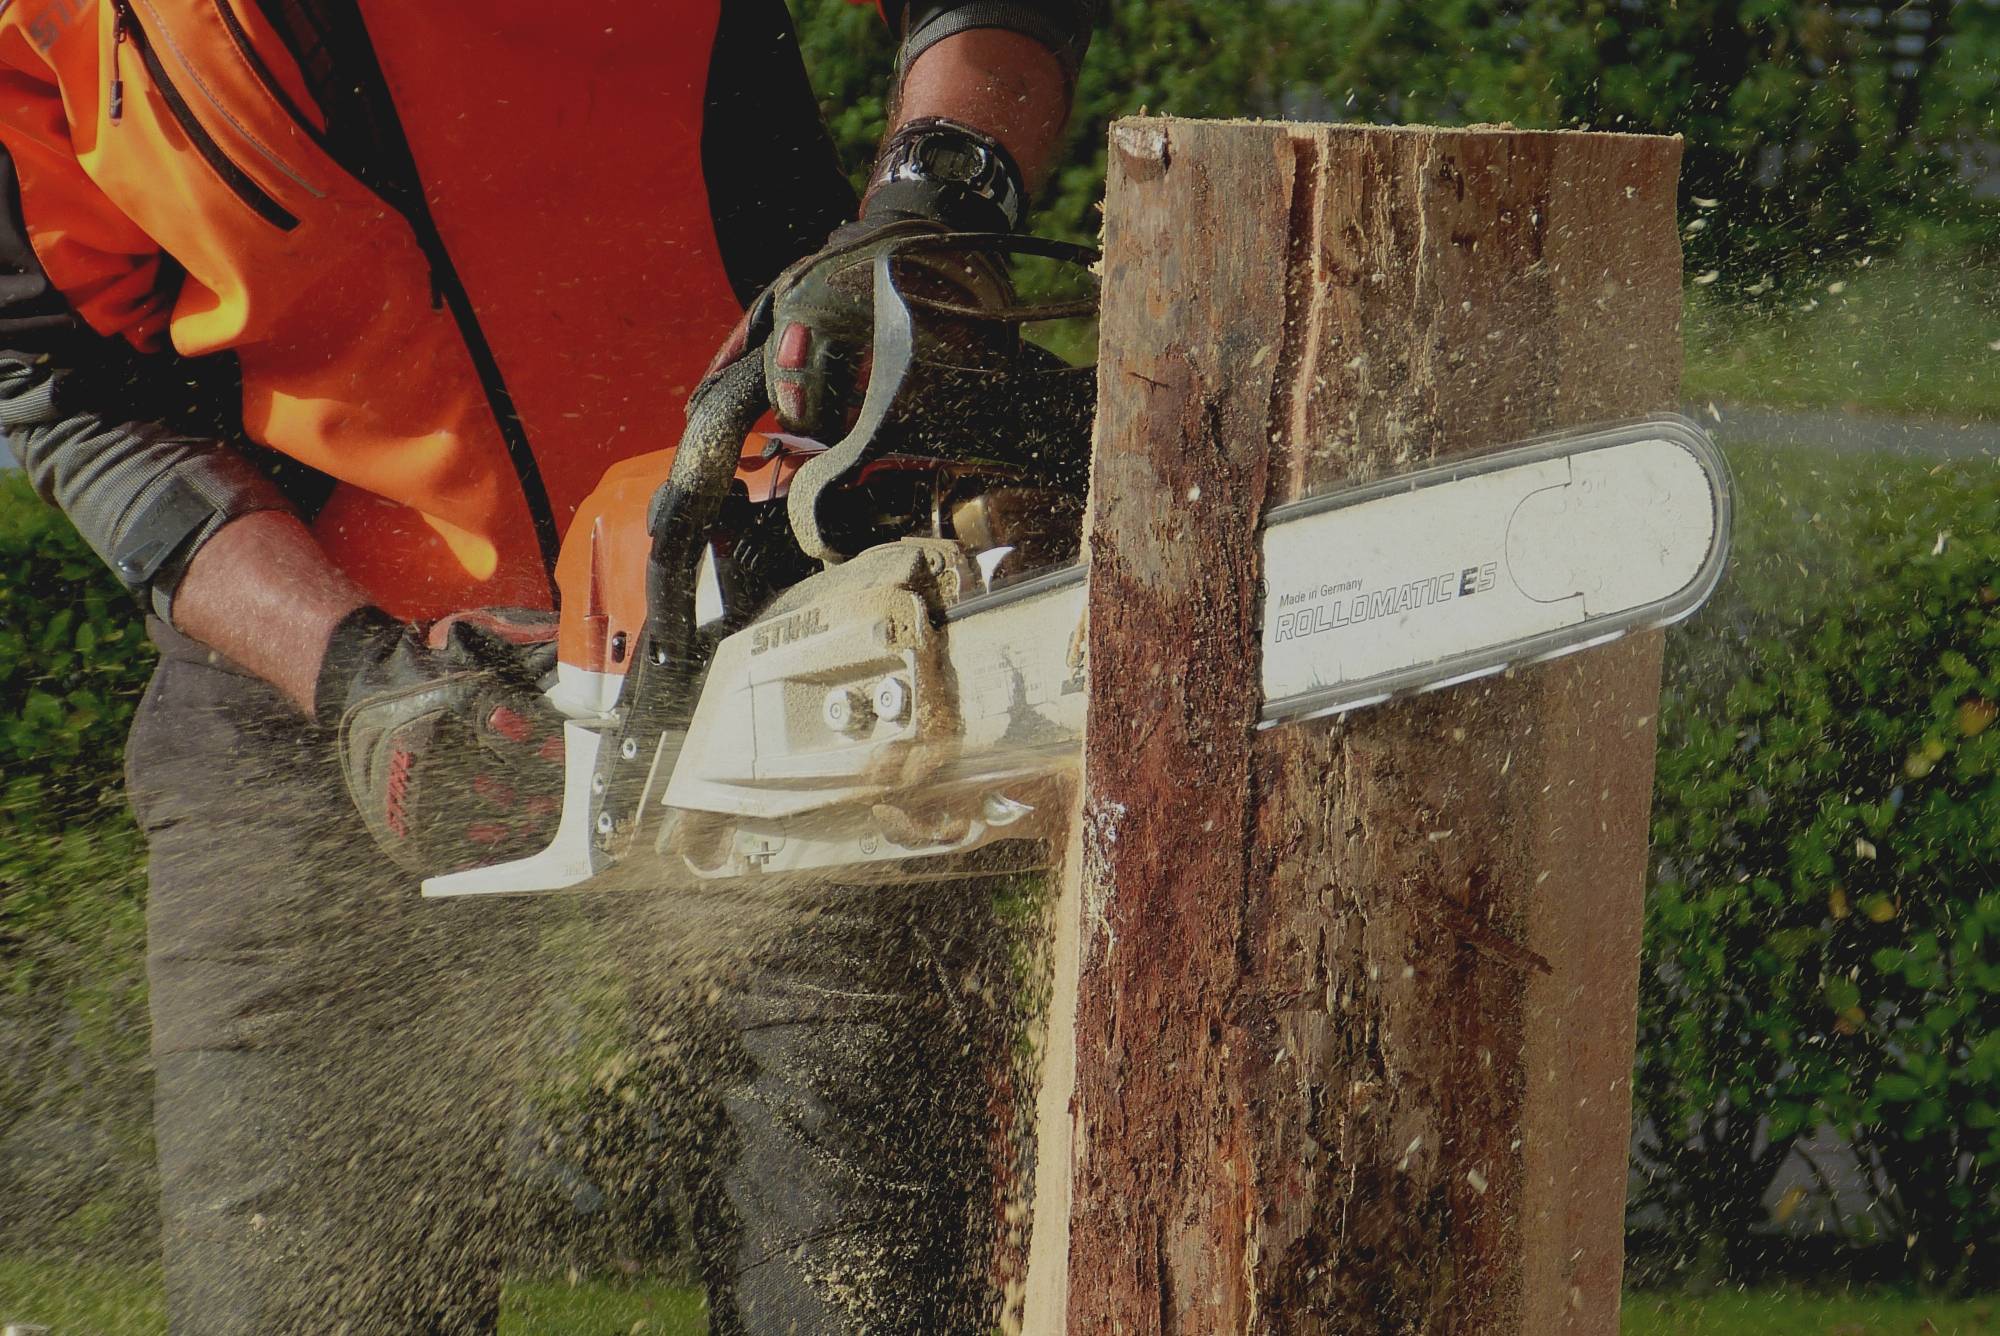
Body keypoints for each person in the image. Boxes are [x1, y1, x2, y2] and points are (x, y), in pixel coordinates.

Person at [0, 1, 1091, 1330]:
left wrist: (935, 196)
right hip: (320, 664)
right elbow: (59, 382)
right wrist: (347, 676)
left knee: (869, 1290)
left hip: (781, 588)